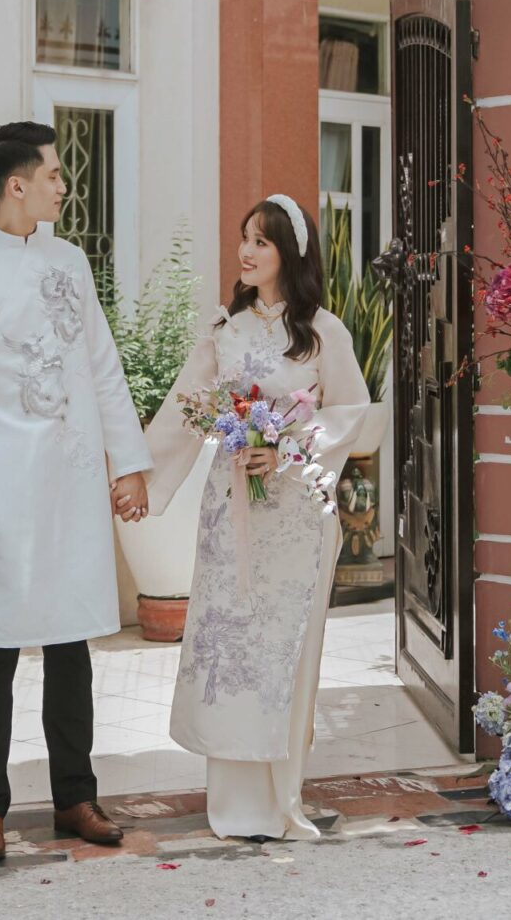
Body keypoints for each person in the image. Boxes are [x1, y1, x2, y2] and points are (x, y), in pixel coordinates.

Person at [0, 121, 154, 863]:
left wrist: (128, 463)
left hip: (74, 478)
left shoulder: (72, 262)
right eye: (53, 173)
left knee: (72, 639)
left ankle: (74, 798)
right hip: (5, 489)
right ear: (16, 184)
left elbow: (102, 366)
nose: (64, 183)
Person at [138, 195, 371, 841]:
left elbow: (351, 409)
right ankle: (234, 804)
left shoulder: (325, 331)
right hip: (231, 510)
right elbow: (185, 411)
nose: (246, 250)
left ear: (288, 255)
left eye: (261, 241)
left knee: (284, 648)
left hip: (297, 514)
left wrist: (288, 447)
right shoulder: (224, 330)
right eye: (244, 237)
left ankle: (280, 801)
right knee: (230, 641)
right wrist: (139, 483)